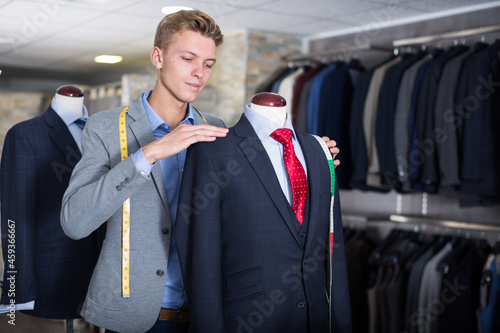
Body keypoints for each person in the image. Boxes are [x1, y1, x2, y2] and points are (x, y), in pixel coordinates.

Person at [60, 9, 340, 333]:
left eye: (208, 64)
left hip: (208, 314)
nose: (199, 74)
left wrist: (309, 161)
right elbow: (75, 221)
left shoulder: (220, 132)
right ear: (158, 56)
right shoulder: (106, 128)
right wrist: (148, 154)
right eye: (188, 58)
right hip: (133, 315)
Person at [175, 92, 352, 332]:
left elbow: (333, 246)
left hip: (315, 319)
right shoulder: (212, 152)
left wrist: (341, 322)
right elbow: (200, 253)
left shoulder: (319, 150)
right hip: (248, 319)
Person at [0, 85, 103, 320]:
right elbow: (16, 215)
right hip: (56, 269)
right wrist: (17, 289)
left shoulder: (104, 130)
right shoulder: (26, 134)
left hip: (104, 268)